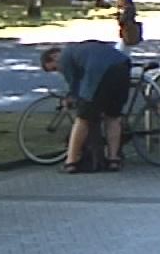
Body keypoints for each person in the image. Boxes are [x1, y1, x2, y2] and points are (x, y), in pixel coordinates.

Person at [39, 40, 131, 173]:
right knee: (113, 117)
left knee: (83, 118)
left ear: (54, 56)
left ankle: (71, 161)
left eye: (54, 68)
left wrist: (71, 98)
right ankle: (113, 160)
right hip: (122, 67)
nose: (58, 71)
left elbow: (74, 84)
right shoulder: (80, 49)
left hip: (98, 72)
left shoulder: (65, 56)